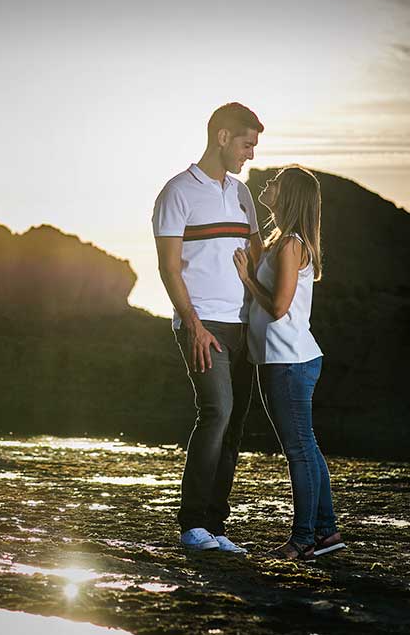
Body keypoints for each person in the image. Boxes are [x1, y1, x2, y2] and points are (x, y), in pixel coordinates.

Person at [152, 102, 264, 552]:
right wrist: (194, 325)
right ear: (222, 137)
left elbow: (258, 258)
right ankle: (193, 523)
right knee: (216, 411)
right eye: (245, 143)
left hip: (244, 325)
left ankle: (217, 527)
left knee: (235, 422)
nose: (250, 154)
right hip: (204, 324)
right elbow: (168, 267)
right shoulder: (177, 191)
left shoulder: (242, 195)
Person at [232, 165, 345, 560]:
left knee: (299, 450)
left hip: (289, 362)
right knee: (306, 447)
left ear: (290, 195)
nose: (268, 184)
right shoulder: (282, 240)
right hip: (284, 359)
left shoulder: (293, 243)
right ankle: (327, 534)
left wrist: (247, 278)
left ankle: (302, 540)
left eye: (275, 182)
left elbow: (278, 308)